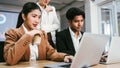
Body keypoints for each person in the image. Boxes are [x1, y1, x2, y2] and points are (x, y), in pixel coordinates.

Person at [4, 2, 73, 65]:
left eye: (39, 17)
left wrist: (64, 57)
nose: (37, 21)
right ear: (24, 16)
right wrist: (28, 35)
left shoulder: (42, 34)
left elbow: (51, 53)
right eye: (34, 16)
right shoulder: (12, 33)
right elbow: (10, 59)